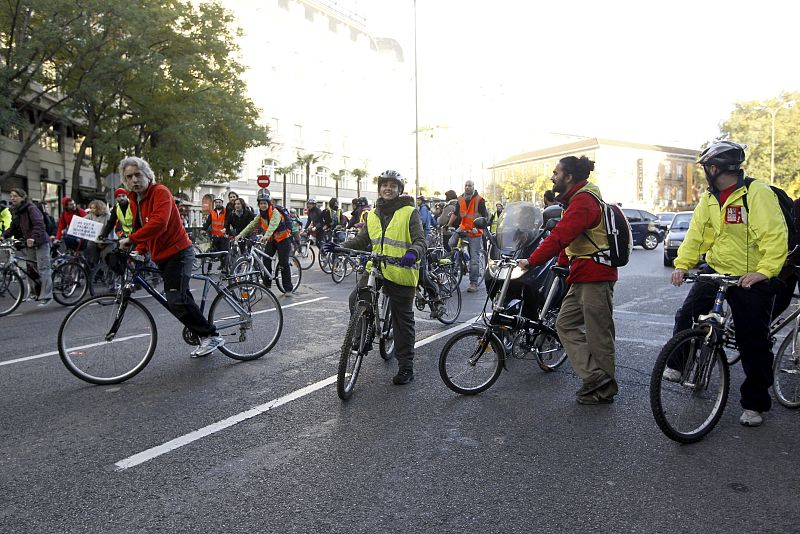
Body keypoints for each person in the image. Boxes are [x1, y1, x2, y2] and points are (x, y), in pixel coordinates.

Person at [668, 141, 787, 427]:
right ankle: (679, 363)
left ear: (713, 168)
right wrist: (683, 264)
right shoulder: (709, 199)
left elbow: (774, 235)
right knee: (687, 314)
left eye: (705, 168)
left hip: (750, 276)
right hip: (718, 268)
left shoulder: (756, 193)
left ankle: (755, 404)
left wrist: (765, 271)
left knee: (752, 341)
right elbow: (698, 234)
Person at [517, 156, 618, 405]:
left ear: (569, 177)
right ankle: (595, 377)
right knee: (564, 324)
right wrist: (561, 265)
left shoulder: (584, 201)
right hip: (582, 274)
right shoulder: (575, 200)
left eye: (556, 172)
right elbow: (571, 239)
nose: (553, 177)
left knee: (599, 334)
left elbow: (561, 235)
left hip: (596, 275)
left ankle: (604, 388)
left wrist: (532, 260)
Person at [325, 170, 426, 385]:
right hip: (377, 268)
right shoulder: (373, 214)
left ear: (400, 190)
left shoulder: (410, 212)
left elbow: (420, 240)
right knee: (356, 298)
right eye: (384, 185)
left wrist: (412, 253)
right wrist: (339, 247)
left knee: (403, 321)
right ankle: (363, 336)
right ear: (380, 189)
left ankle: (406, 367)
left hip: (401, 270)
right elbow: (362, 240)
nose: (388, 188)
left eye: (393, 185)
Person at [117, 156, 224, 357]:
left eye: (138, 175)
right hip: (161, 256)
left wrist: (131, 239)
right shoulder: (134, 199)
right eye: (129, 177)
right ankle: (202, 333)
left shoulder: (160, 192)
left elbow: (159, 223)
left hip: (179, 252)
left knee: (175, 298)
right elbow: (140, 227)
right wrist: (139, 250)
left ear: (147, 175)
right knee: (181, 298)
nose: (134, 180)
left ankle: (211, 335)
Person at [235, 189, 294, 295]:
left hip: (283, 239)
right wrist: (241, 235)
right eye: (261, 203)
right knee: (266, 260)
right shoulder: (261, 214)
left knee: (283, 263)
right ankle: (267, 284)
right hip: (272, 239)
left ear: (269, 203)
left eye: (264, 203)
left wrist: (266, 236)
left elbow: (272, 225)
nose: (263, 205)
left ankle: (288, 288)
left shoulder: (275, 212)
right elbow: (252, 225)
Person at [1, 188, 53, 306]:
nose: (12, 198)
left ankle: (47, 296)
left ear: (23, 198)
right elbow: (13, 227)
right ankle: (35, 293)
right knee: (30, 269)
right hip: (29, 244)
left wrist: (33, 237)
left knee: (43, 269)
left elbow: (39, 224)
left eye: (15, 196)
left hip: (40, 242)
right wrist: (3, 236)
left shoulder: (31, 208)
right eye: (11, 196)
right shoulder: (15, 210)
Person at [448, 180, 489, 292]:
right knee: (451, 242)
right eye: (466, 185)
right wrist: (448, 225)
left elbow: (485, 217)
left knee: (474, 259)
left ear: (473, 187)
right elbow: (456, 214)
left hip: (475, 231)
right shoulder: (460, 199)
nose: (467, 187)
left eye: (469, 185)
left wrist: (479, 228)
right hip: (463, 227)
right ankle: (460, 260)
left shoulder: (479, 200)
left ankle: (473, 283)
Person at [203, 196, 229, 272]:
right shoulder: (212, 212)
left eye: (219, 202)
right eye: (216, 202)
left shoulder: (226, 211)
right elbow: (208, 222)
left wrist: (227, 230)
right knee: (212, 253)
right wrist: (203, 229)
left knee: (224, 253)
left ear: (222, 203)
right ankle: (209, 269)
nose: (218, 204)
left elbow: (228, 222)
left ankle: (224, 267)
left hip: (223, 236)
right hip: (215, 236)